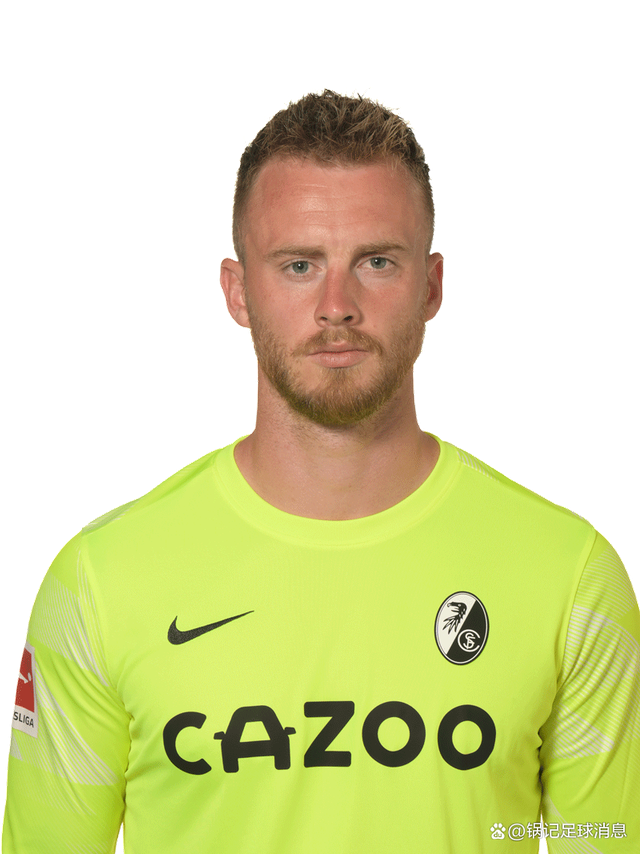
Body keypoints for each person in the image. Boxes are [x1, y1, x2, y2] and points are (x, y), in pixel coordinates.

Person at [3, 86, 638, 854]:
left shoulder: (571, 578)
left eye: (377, 261)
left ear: (432, 286)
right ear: (237, 291)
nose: (338, 305)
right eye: (300, 265)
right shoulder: (98, 584)